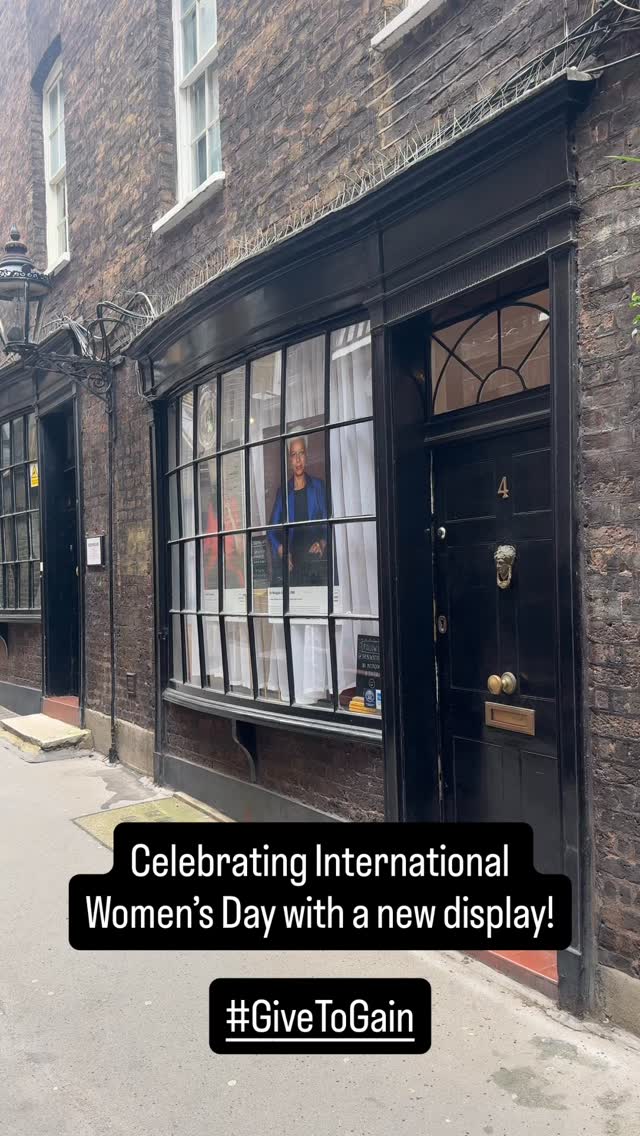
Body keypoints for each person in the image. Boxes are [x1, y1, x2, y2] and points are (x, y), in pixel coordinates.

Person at [268, 436, 327, 586]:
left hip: (316, 565)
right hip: (293, 566)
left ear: (306, 456)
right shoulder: (283, 492)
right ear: (289, 460)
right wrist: (281, 550)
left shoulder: (319, 487)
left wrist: (322, 542)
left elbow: (330, 523)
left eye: (301, 453)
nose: (298, 460)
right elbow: (271, 530)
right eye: (294, 455)